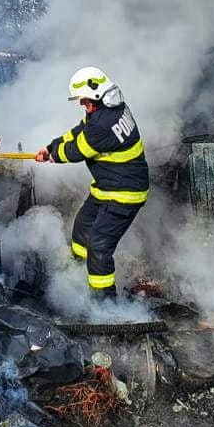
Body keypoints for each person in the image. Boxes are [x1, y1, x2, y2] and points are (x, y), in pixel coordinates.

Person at [35, 67, 149, 297]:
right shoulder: (109, 108)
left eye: (84, 99)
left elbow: (77, 150)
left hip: (125, 193)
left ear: (96, 95)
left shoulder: (104, 125)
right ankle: (76, 275)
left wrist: (53, 155)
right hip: (108, 186)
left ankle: (103, 304)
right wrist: (51, 145)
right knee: (81, 230)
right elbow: (79, 131)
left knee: (98, 246)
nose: (81, 103)